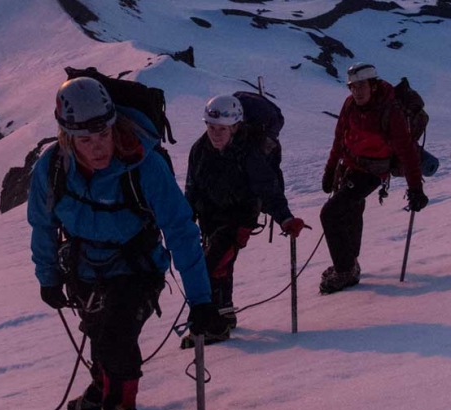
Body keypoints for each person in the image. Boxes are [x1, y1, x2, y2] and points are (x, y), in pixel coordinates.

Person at [27, 77, 224, 410]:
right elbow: (42, 224)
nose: (97, 147)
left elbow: (180, 230)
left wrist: (201, 299)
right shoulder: (51, 168)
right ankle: (103, 384)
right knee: (96, 327)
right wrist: (48, 275)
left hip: (137, 268)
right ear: (67, 138)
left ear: (113, 123)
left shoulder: (143, 164)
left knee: (116, 333)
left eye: (102, 134)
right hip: (84, 266)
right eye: (85, 140)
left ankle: (119, 409)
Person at [182, 94, 306, 347]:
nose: (215, 134)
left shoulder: (249, 153)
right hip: (209, 218)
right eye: (211, 127)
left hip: (238, 219)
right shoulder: (199, 149)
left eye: (222, 129)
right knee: (219, 266)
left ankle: (214, 326)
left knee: (210, 266)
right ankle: (224, 315)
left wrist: (285, 218)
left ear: (236, 127)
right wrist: (185, 219)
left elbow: (267, 189)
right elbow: (192, 187)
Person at [319, 62, 429, 294]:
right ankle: (350, 263)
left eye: (361, 86)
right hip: (351, 165)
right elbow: (339, 139)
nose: (356, 91)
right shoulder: (350, 105)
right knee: (351, 208)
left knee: (330, 213)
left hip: (372, 171)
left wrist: (415, 188)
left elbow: (406, 152)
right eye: (352, 87)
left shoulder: (390, 111)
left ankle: (345, 270)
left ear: (373, 85)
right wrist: (330, 171)